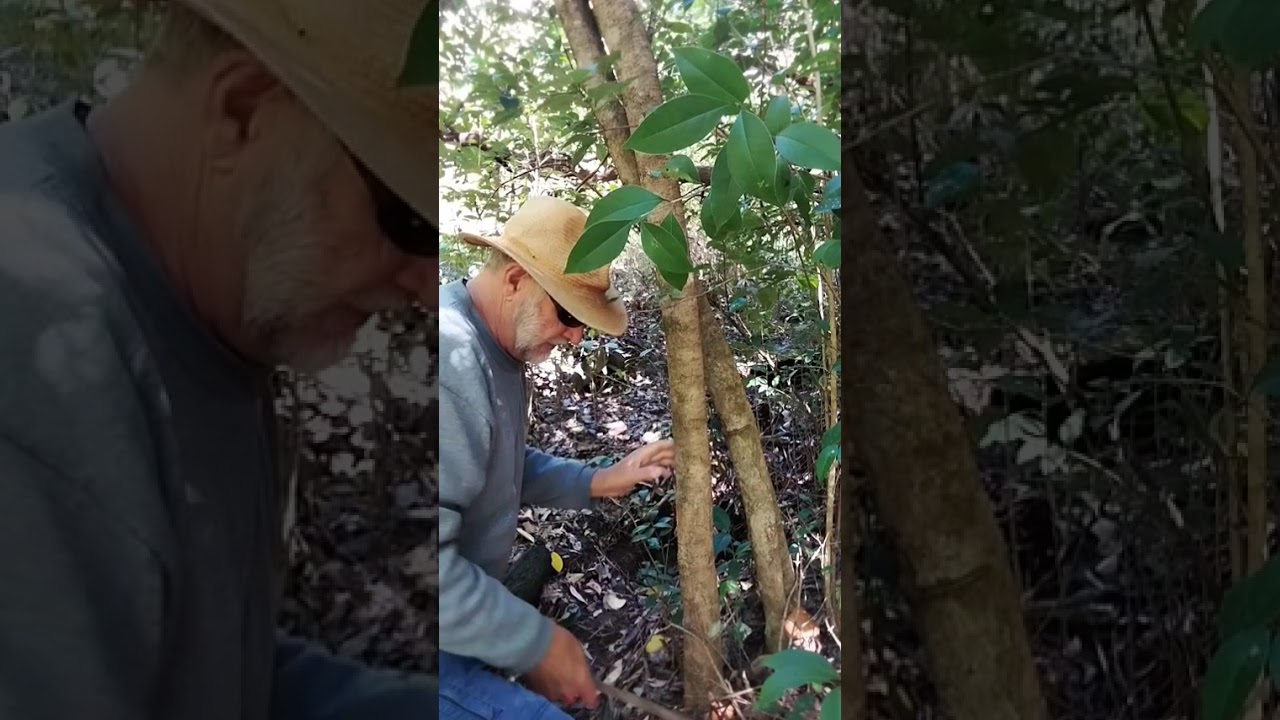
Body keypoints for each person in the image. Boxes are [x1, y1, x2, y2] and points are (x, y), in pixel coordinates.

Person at [0, 1, 438, 719]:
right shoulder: (37, 361)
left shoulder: (202, 306)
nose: (427, 286)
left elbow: (202, 667)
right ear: (241, 110)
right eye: (411, 221)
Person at [438, 195, 678, 718]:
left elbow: (496, 463)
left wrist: (596, 480)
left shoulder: (496, 350)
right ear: (515, 279)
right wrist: (535, 642)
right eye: (568, 313)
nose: (575, 335)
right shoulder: (449, 361)